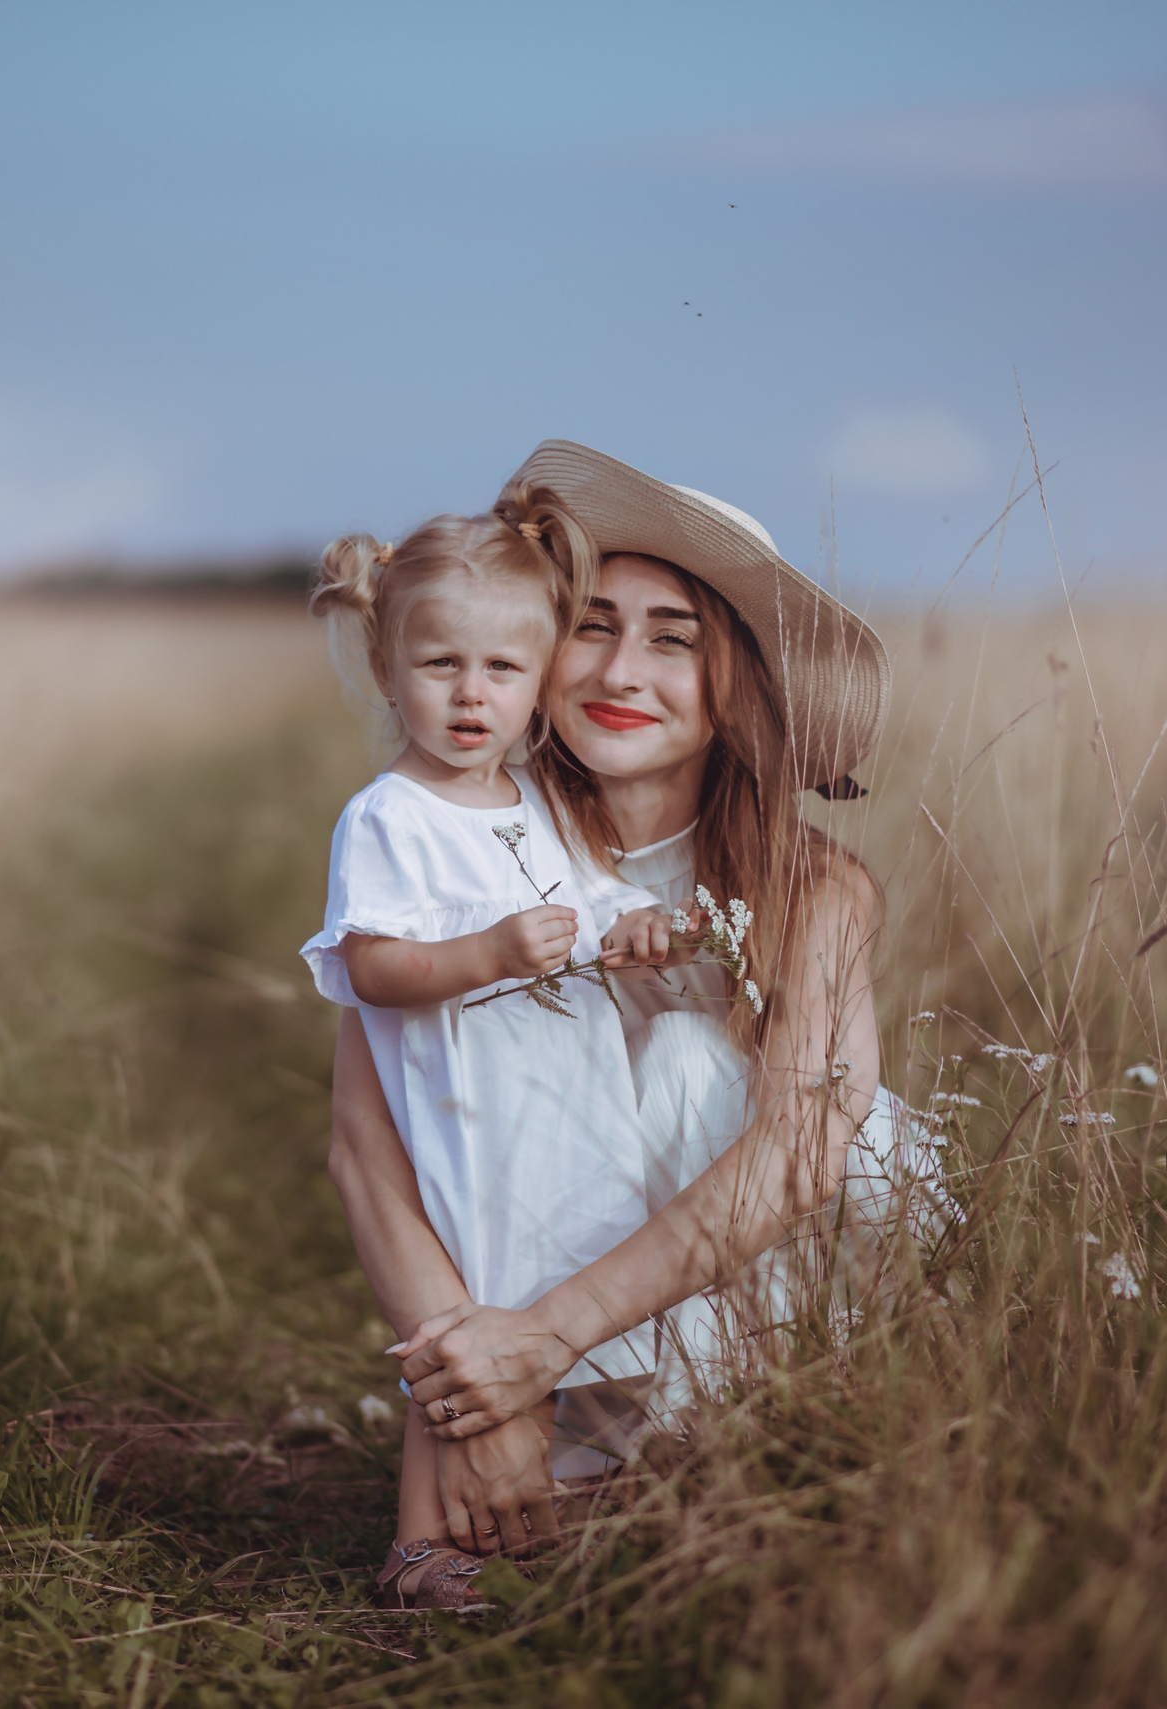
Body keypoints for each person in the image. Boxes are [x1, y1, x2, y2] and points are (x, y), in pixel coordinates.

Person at [326, 441, 952, 1567]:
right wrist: (488, 1388)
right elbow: (370, 1154)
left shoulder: (811, 885)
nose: (620, 673)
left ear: (737, 685)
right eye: (593, 626)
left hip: (772, 1290)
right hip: (525, 1336)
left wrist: (540, 1342)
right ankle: (566, 1460)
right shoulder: (457, 849)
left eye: (674, 641)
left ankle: (717, 1454)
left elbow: (805, 1150)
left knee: (681, 1062)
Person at [298, 497, 700, 1611]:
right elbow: (368, 963)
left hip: (563, 1112)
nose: (472, 694)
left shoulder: (541, 803)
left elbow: (599, 898)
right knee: (468, 1321)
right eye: (440, 664)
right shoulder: (391, 815)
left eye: (502, 669)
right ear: (387, 669)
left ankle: (549, 1507)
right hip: (464, 1119)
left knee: (563, 1288)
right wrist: (480, 952)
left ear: (538, 680)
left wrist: (636, 929)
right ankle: (421, 1539)